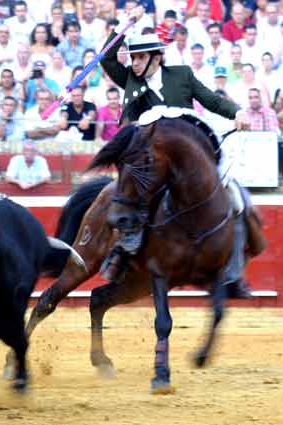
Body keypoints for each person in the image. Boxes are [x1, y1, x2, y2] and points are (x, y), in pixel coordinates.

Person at [98, 6, 253, 298]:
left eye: (141, 57)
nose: (135, 63)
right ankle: (123, 252)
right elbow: (106, 57)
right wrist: (125, 24)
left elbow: (210, 99)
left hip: (188, 156)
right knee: (132, 197)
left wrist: (238, 112)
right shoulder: (132, 81)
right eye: (133, 57)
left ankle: (233, 273)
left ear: (156, 57)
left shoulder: (181, 74)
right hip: (150, 159)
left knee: (234, 197)